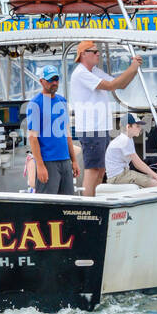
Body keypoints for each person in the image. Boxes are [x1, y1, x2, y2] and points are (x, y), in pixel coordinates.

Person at [69, 39, 143, 197]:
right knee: (93, 170)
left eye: (98, 51)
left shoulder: (94, 71)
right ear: (83, 54)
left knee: (101, 169)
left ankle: (94, 201)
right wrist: (132, 67)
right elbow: (111, 86)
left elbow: (119, 84)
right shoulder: (81, 73)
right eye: (95, 52)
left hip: (100, 128)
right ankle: (88, 204)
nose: (98, 54)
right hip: (91, 129)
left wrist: (134, 69)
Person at [26, 65, 80, 195]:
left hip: (65, 161)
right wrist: (40, 165)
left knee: (67, 205)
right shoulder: (35, 104)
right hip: (48, 162)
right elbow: (33, 138)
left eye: (56, 79)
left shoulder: (62, 101)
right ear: (41, 81)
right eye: (50, 80)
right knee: (48, 207)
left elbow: (67, 134)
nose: (54, 82)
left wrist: (74, 161)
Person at [105, 115, 157, 189]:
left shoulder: (126, 139)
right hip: (118, 177)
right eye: (137, 126)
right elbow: (137, 163)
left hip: (120, 175)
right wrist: (156, 176)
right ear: (128, 127)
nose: (140, 129)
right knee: (156, 183)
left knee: (147, 183)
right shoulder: (125, 140)